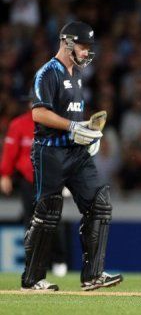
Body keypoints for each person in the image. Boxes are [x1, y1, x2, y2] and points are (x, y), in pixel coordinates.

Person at [21, 21, 123, 291]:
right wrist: (73, 127)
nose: (87, 52)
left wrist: (87, 132)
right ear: (66, 42)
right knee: (48, 214)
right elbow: (38, 113)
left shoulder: (76, 74)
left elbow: (71, 117)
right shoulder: (48, 73)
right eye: (82, 46)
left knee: (100, 205)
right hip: (50, 152)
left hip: (75, 152)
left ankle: (92, 276)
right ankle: (32, 280)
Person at [0, 100, 68, 278]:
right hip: (28, 180)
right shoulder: (19, 125)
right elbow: (10, 151)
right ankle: (34, 262)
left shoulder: (55, 123)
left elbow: (65, 152)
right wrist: (5, 174)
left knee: (53, 219)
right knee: (30, 221)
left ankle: (59, 259)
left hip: (51, 179)